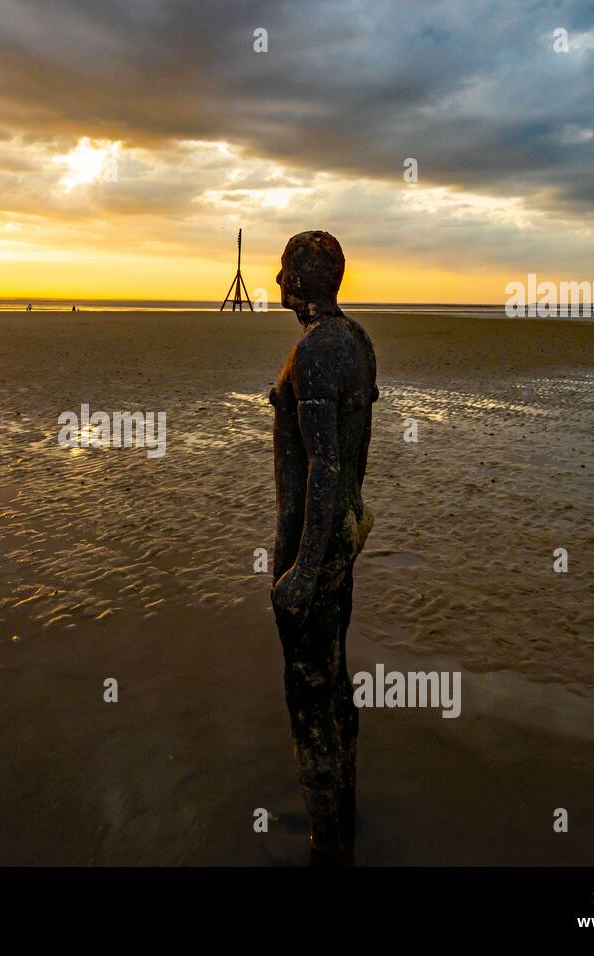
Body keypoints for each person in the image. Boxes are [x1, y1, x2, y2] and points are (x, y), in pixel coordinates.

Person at [269, 230, 378, 862]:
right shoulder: (358, 342)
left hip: (311, 544)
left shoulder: (314, 355)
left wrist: (303, 571)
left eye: (285, 268)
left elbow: (327, 466)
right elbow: (354, 457)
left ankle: (325, 837)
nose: (277, 277)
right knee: (336, 676)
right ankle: (346, 811)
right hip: (342, 536)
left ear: (306, 280)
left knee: (309, 689)